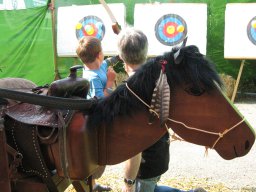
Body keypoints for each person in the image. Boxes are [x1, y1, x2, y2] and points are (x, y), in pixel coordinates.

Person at [117, 27, 207, 192]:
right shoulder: (160, 79)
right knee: (151, 187)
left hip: (143, 166)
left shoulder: (129, 93)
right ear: (146, 52)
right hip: (160, 155)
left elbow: (134, 148)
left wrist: (128, 182)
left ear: (121, 57)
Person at [76, 36, 114, 191]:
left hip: (104, 114)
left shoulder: (100, 65)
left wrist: (124, 53)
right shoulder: (92, 77)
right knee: (97, 157)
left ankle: (93, 185)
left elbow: (109, 61)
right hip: (97, 119)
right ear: (99, 54)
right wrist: (110, 82)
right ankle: (92, 184)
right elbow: (100, 101)